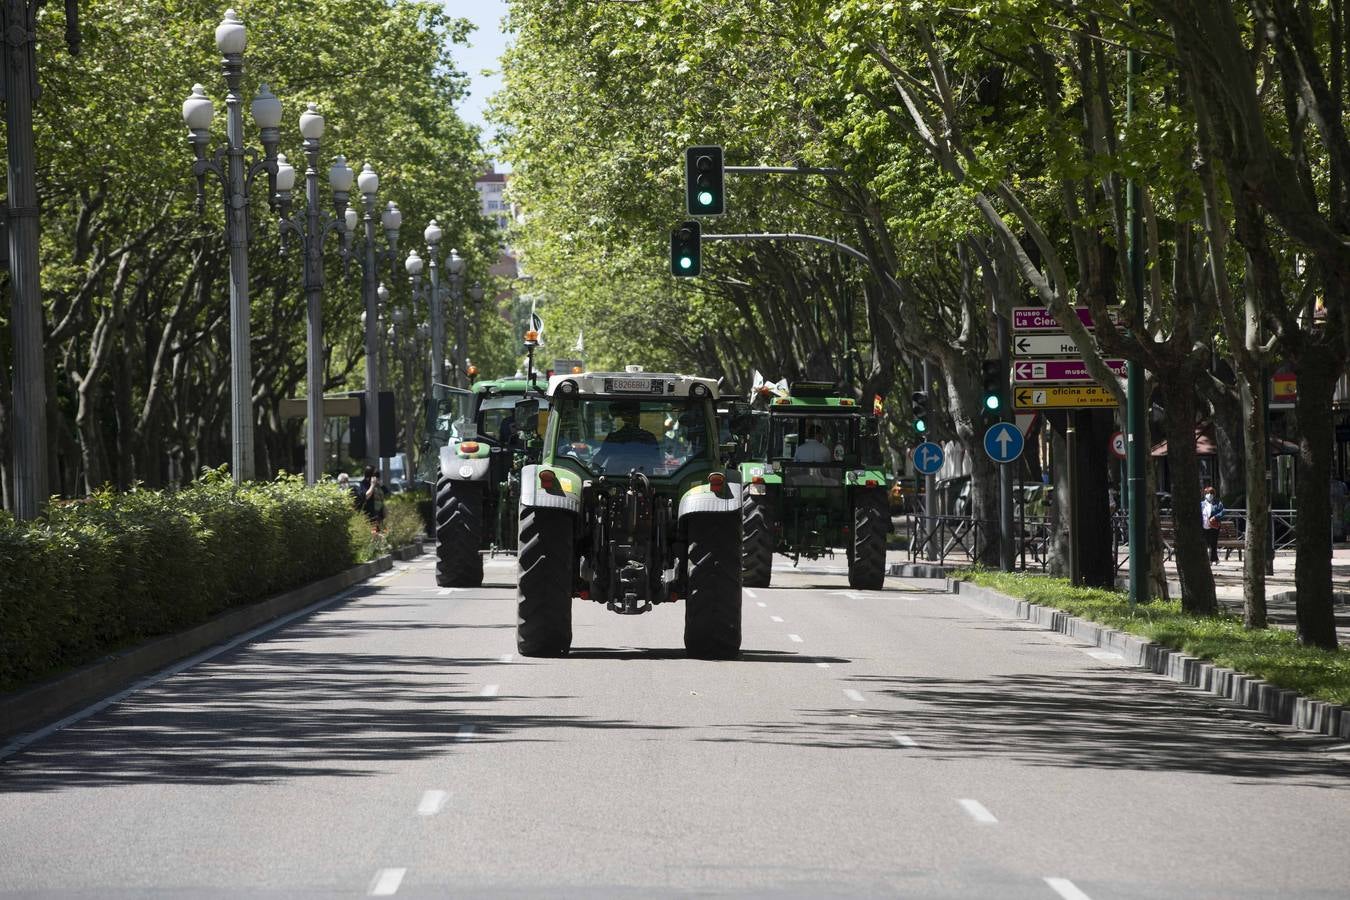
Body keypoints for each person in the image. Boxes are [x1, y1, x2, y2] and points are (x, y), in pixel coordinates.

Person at [358, 464, 386, 529]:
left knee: (381, 533)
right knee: (374, 533)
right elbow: (366, 496)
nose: (376, 476)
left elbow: (386, 492)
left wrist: (380, 484)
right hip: (370, 515)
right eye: (374, 474)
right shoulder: (364, 483)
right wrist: (372, 485)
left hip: (379, 514)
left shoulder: (377, 485)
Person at [1201, 485, 1225, 563]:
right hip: (1204, 525)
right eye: (1208, 493)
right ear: (1205, 494)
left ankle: (1211, 559)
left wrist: (1215, 517)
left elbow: (1223, 512)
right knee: (1205, 542)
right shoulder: (1201, 504)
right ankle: (1213, 559)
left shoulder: (1218, 503)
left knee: (1213, 542)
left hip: (1214, 525)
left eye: (1211, 493)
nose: (1210, 495)